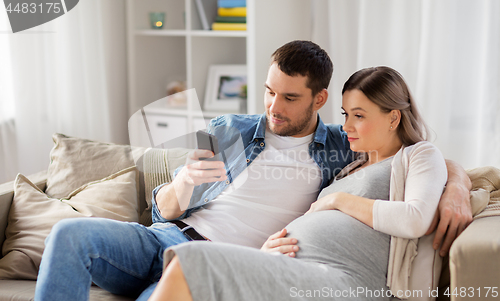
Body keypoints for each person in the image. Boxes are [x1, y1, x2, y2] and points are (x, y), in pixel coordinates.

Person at [34, 41, 471, 301]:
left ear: (319, 100)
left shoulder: (343, 145)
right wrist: (183, 185)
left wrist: (456, 186)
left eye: (290, 98)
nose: (273, 108)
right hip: (163, 236)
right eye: (269, 92)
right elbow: (160, 209)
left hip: (226, 258)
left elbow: (413, 152)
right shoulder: (229, 129)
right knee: (68, 235)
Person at [149, 66, 451, 301]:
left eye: (359, 116)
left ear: (394, 118)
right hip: (294, 268)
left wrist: (337, 201)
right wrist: (263, 252)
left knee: (190, 262)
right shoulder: (350, 165)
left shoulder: (417, 155)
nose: (346, 127)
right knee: (185, 271)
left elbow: (415, 219)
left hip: (343, 280)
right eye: (346, 114)